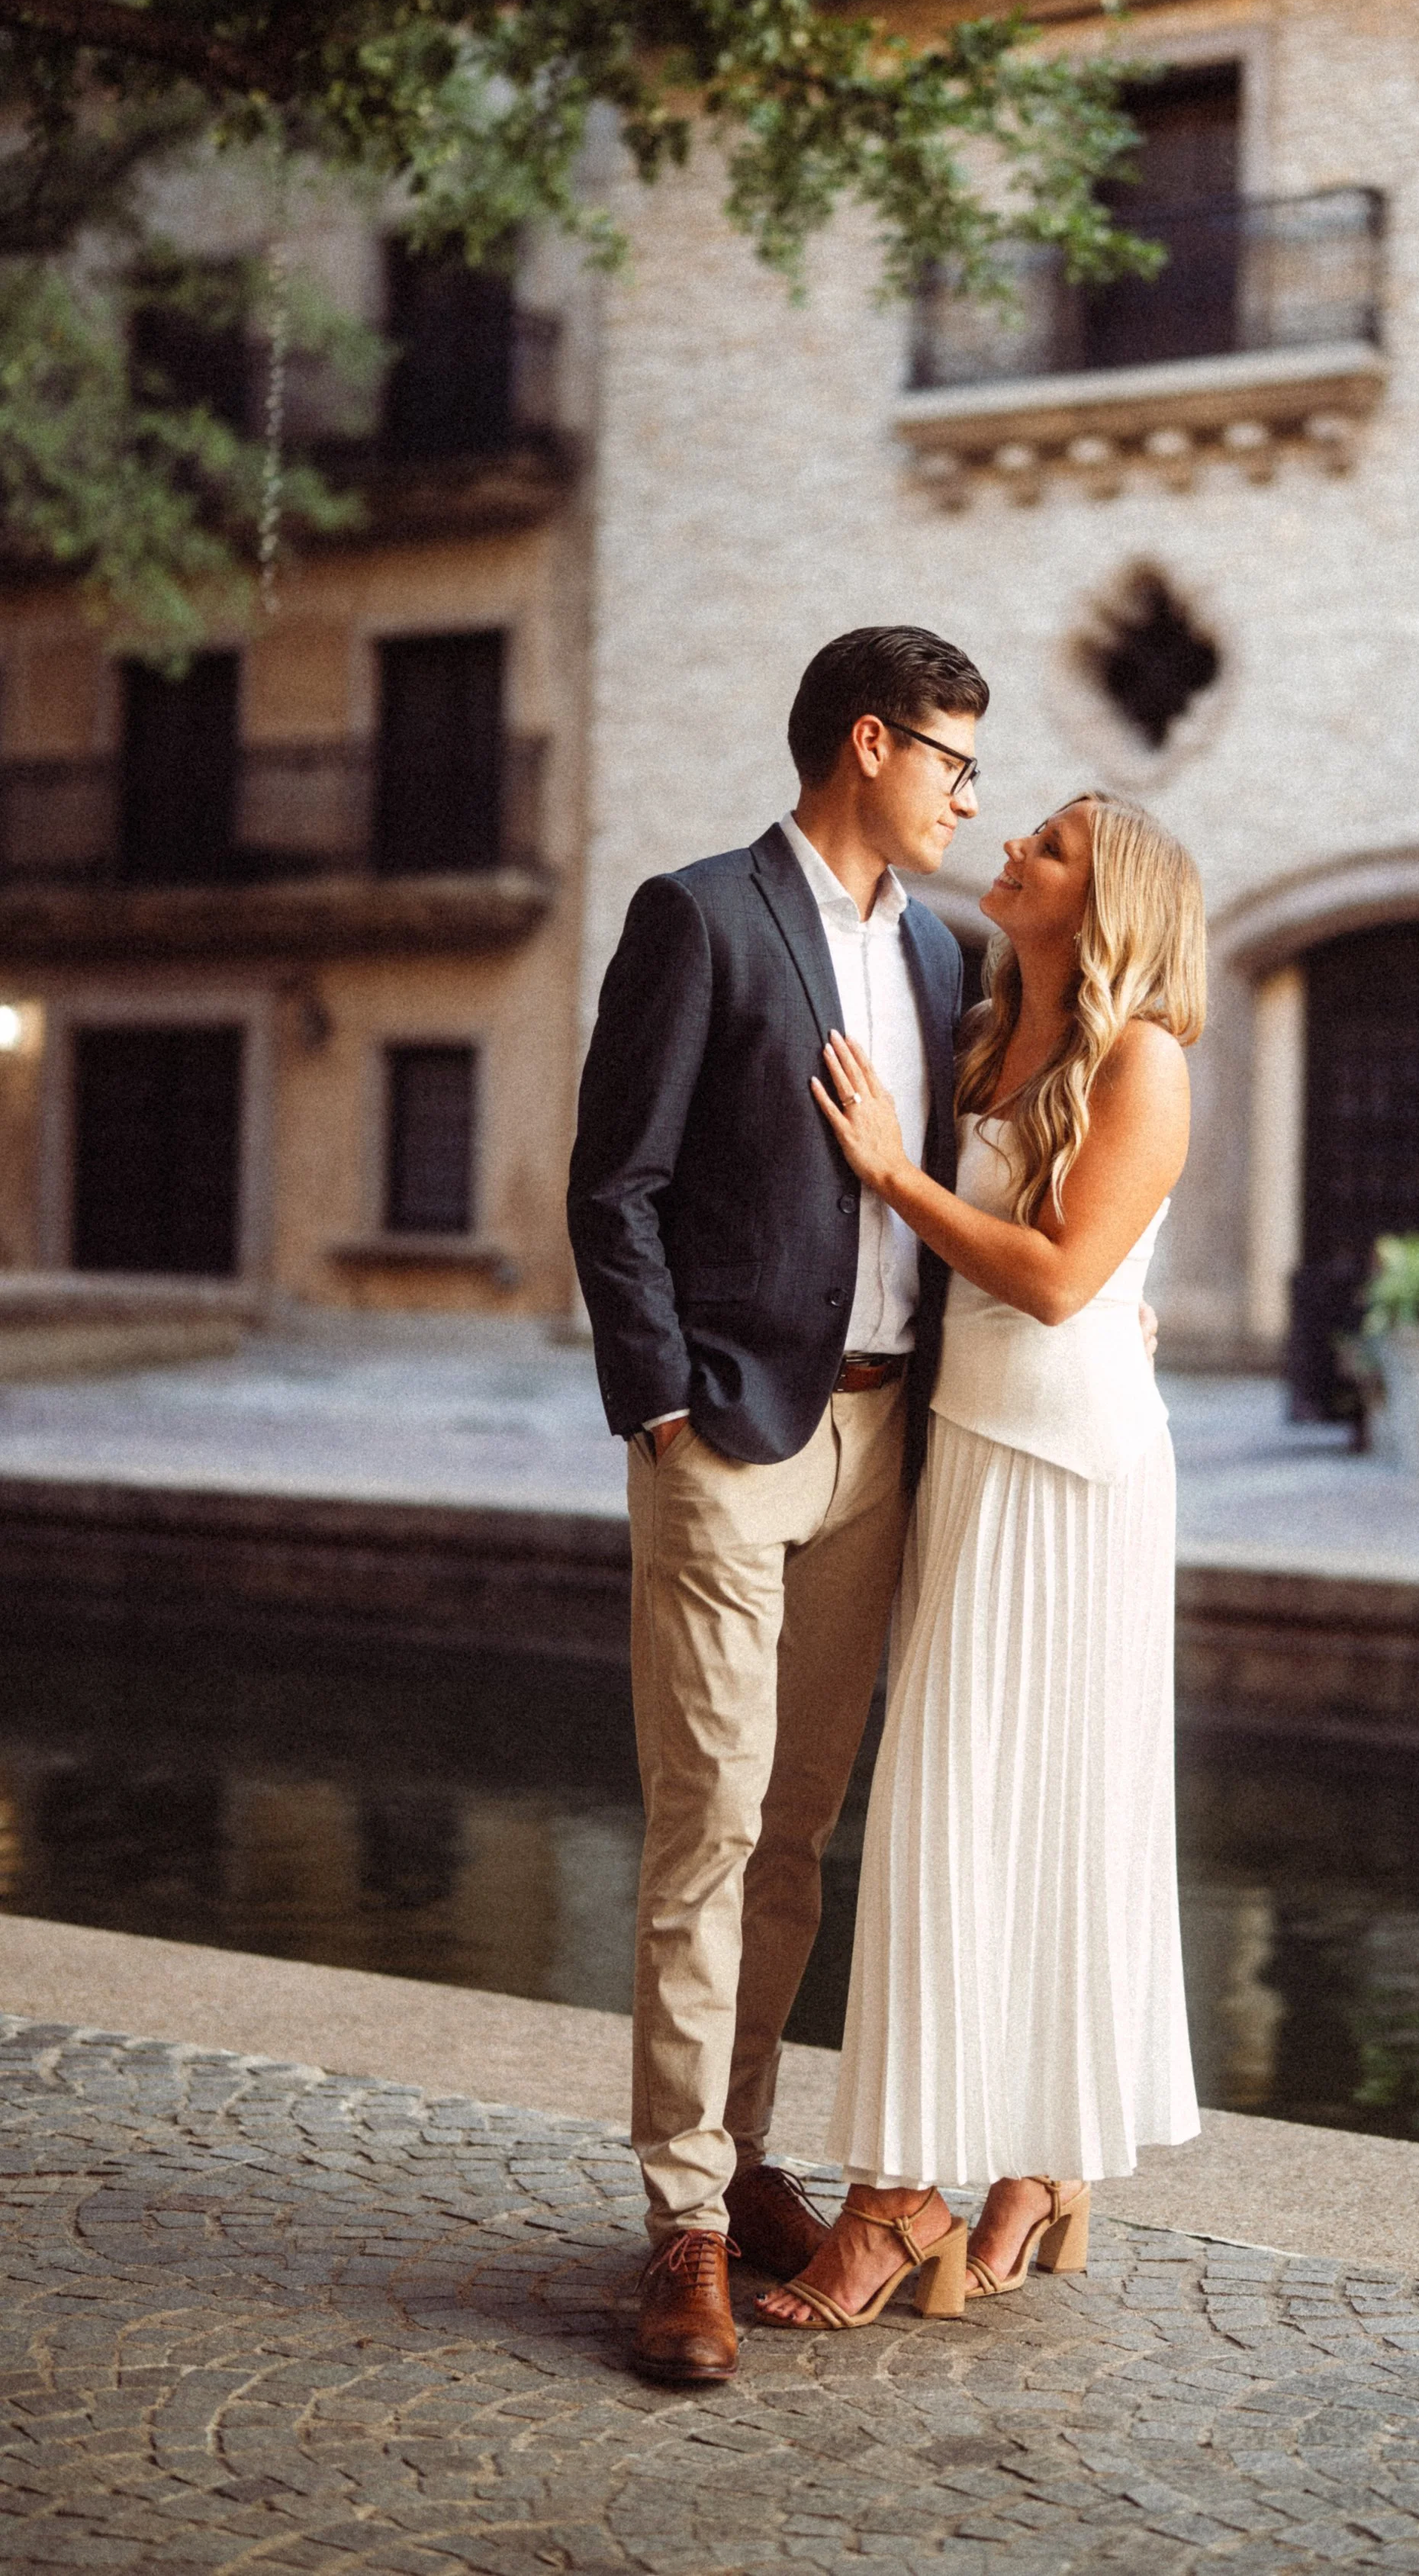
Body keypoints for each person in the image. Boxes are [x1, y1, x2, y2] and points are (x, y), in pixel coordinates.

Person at [566, 624, 988, 2384]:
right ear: (869, 744)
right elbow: (617, 1183)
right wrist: (663, 1402)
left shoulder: (951, 955)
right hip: (732, 1437)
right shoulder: (700, 915)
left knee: (800, 1826)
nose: (970, 794)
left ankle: (742, 2162)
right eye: (953, 760)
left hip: (890, 1441)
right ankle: (679, 2223)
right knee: (707, 1826)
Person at [756, 790, 1204, 2336]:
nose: (1009, 849)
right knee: (955, 1817)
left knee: (1034, 1814)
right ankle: (1015, 2166)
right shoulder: (979, 1032)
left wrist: (894, 1173)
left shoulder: (1143, 1060)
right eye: (1018, 834)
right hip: (965, 1456)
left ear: (1109, 898)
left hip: (1074, 1479)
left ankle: (937, 2191)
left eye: (1052, 849)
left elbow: (1067, 1279)